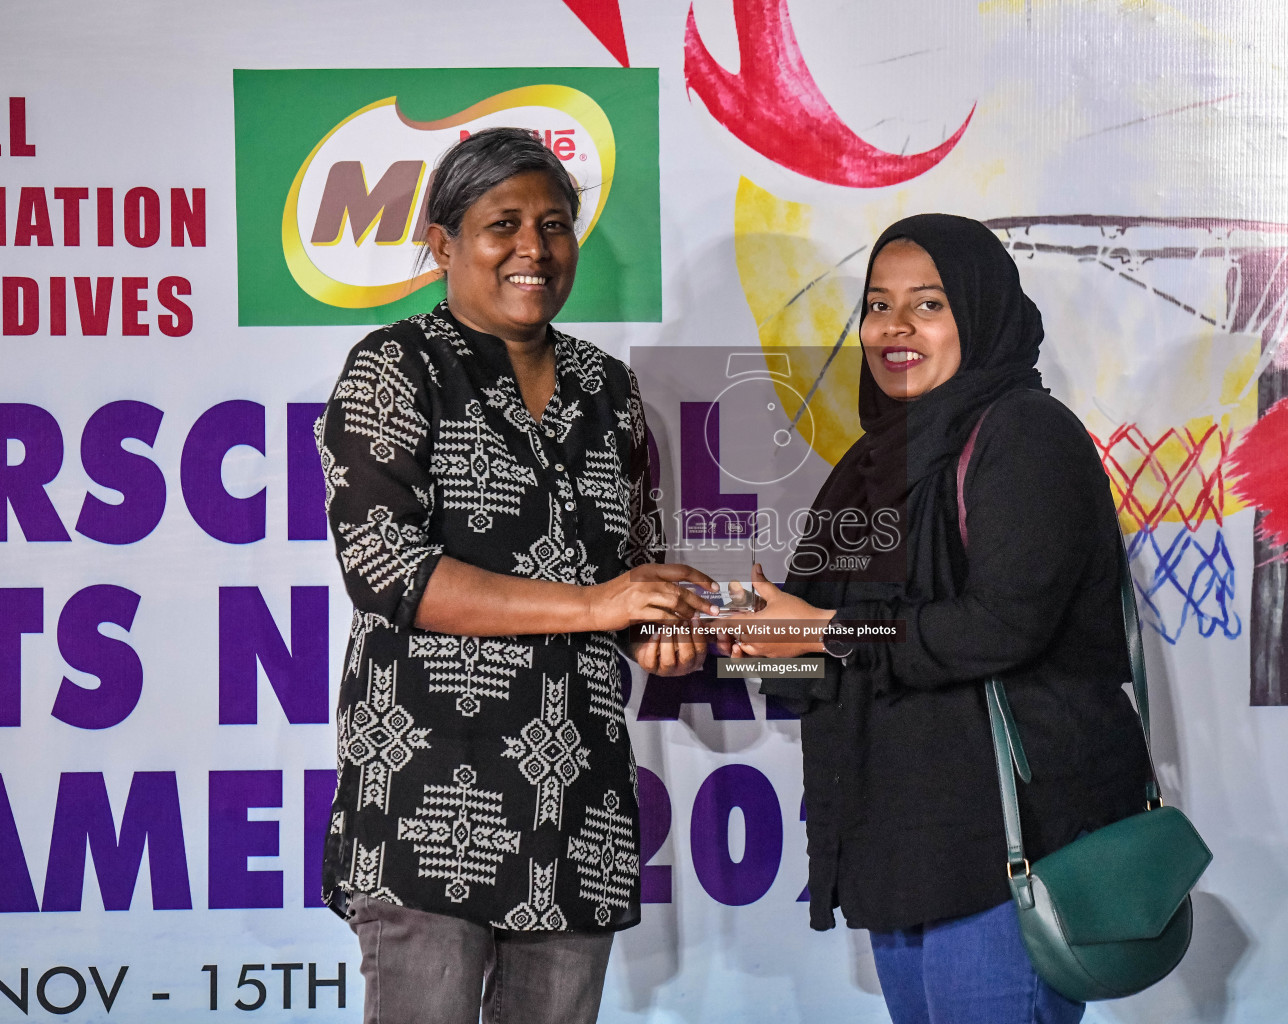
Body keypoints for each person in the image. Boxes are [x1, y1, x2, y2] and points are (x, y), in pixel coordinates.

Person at [314, 127, 715, 1024]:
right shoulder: (395, 368)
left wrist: (662, 626)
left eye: (555, 223)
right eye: (503, 224)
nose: (535, 247)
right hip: (429, 806)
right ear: (443, 244)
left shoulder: (608, 391)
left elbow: (626, 577)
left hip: (579, 806)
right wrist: (597, 602)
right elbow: (391, 571)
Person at [729, 214, 1153, 1024]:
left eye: (928, 305)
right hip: (904, 844)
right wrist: (744, 636)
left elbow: (1001, 625)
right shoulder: (866, 467)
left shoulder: (1027, 436)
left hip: (1009, 848)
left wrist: (823, 630)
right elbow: (821, 656)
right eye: (879, 305)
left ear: (981, 312)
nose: (895, 328)